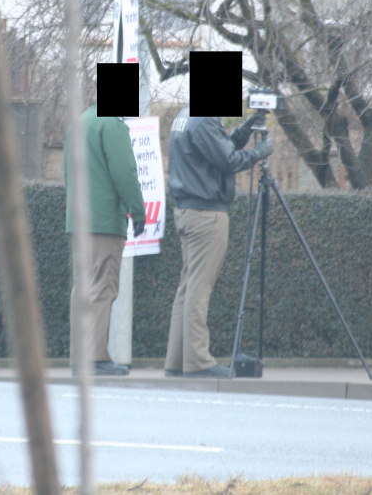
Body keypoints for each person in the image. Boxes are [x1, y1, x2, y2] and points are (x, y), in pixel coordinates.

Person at [164, 107, 272, 378]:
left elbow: (215, 152)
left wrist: (244, 131)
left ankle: (177, 361)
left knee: (187, 289)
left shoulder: (187, 116)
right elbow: (228, 160)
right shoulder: (204, 120)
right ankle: (198, 362)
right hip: (206, 213)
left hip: (188, 210)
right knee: (198, 291)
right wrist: (258, 153)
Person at [65, 104, 146, 376]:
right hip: (104, 221)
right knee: (102, 288)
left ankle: (79, 357)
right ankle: (95, 357)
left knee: (83, 288)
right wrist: (138, 211)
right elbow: (125, 173)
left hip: (78, 220)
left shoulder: (81, 120)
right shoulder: (111, 125)